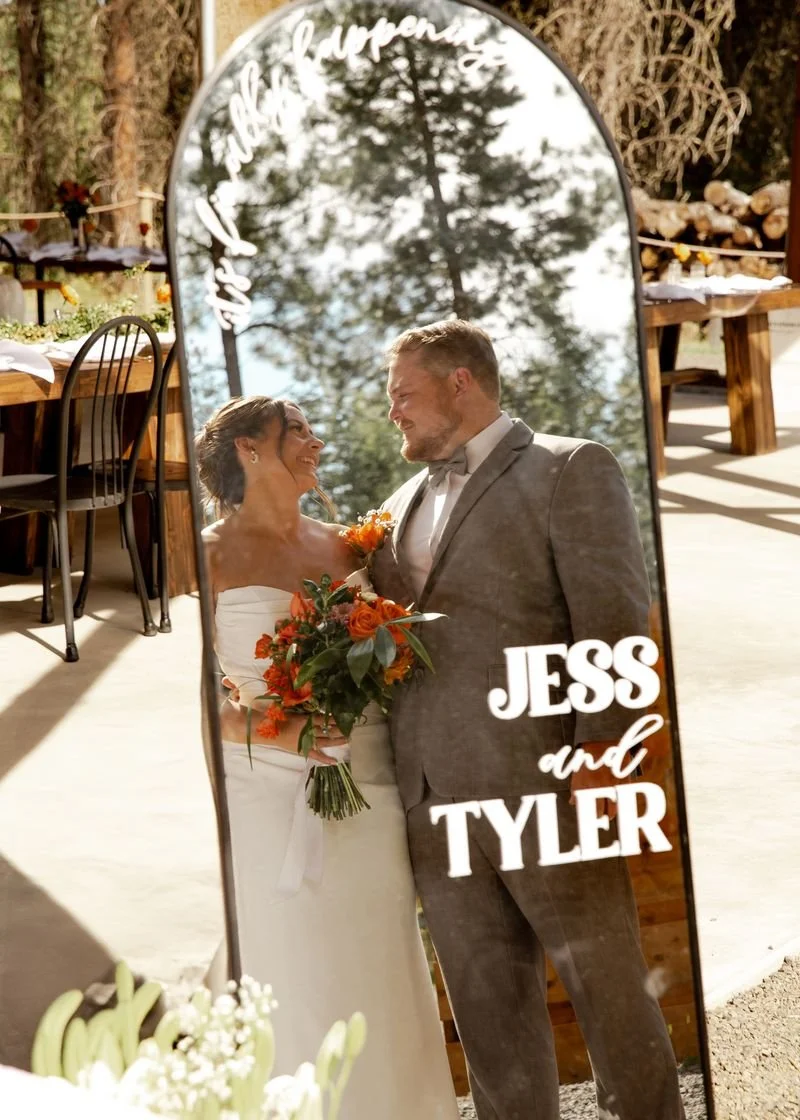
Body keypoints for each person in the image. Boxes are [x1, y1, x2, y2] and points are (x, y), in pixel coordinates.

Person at [370, 319, 686, 1120]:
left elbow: (613, 622)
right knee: (487, 1018)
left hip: (552, 786)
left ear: (460, 383)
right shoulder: (399, 503)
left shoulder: (569, 467)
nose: (393, 413)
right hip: (434, 799)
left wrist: (603, 752)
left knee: (609, 992)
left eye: (404, 394)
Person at [195, 396, 459, 1120]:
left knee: (377, 947)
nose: (316, 440)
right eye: (298, 431)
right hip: (264, 784)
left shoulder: (351, 548)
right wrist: (282, 730)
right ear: (250, 449)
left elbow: (397, 653)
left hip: (364, 777)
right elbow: (193, 704)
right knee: (288, 952)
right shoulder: (206, 555)